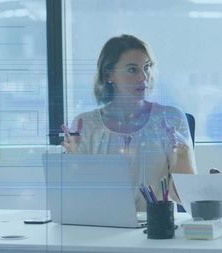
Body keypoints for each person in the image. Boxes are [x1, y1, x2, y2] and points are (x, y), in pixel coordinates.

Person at [61, 34, 196, 211]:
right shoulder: (84, 124)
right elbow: (77, 200)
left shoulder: (171, 118)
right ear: (109, 75)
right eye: (133, 70)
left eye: (147, 68)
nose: (144, 77)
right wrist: (76, 160)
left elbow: (186, 199)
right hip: (102, 227)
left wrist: (184, 156)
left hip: (155, 228)